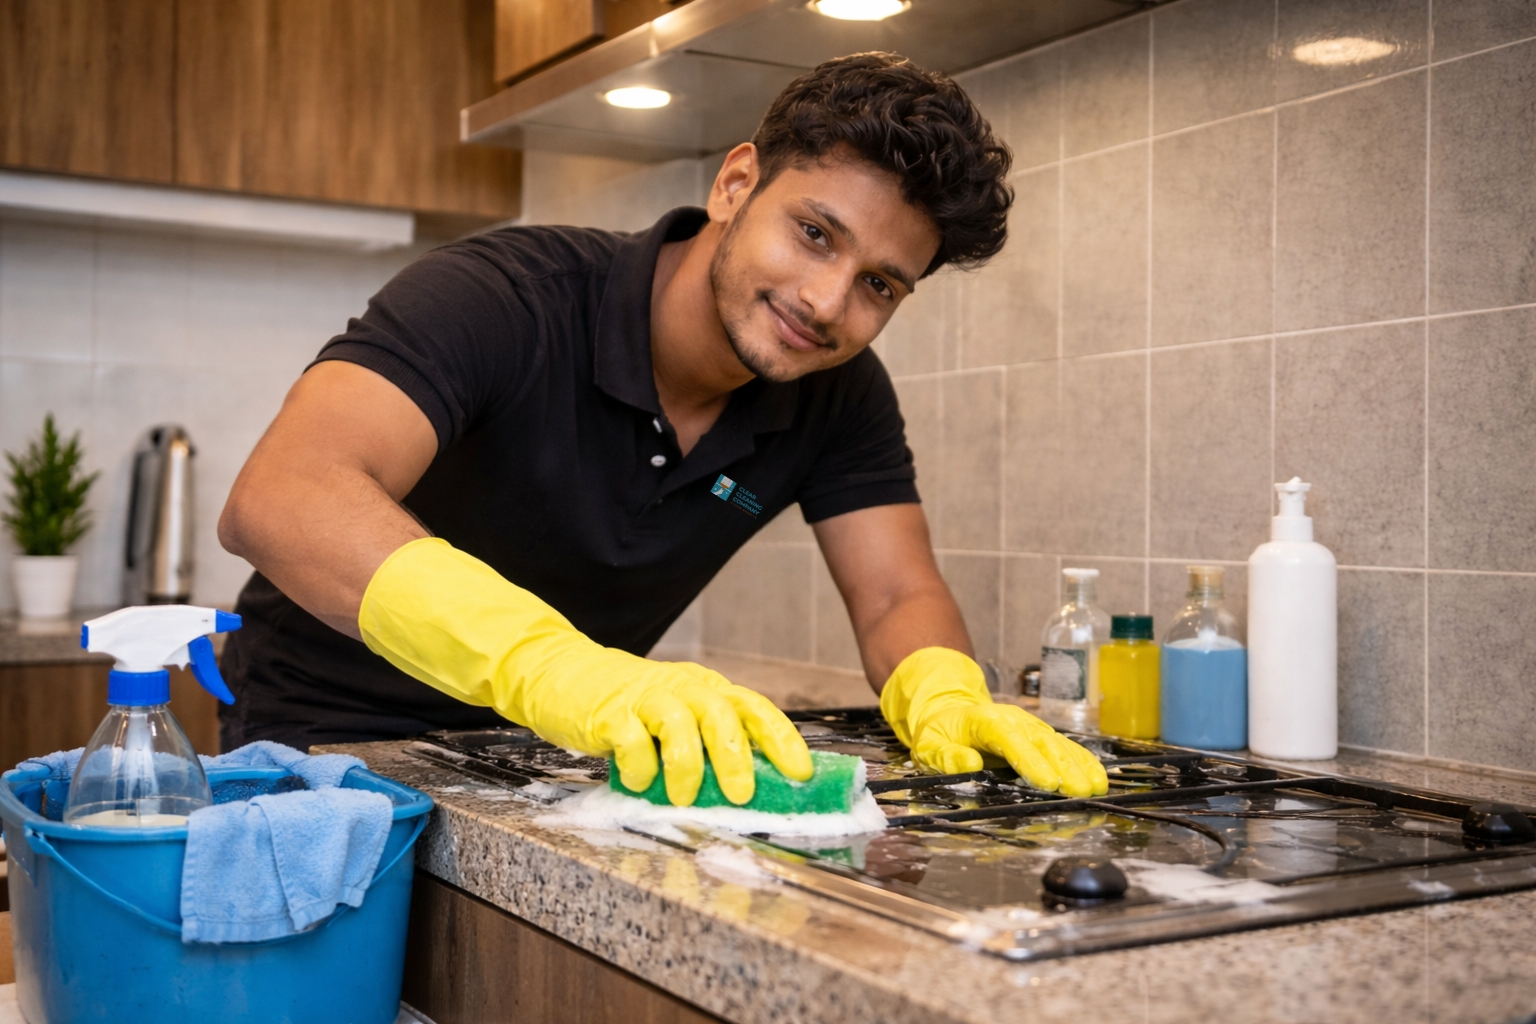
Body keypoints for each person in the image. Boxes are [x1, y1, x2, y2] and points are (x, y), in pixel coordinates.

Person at [217, 52, 1109, 805]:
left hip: (554, 765)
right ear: (735, 184)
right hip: (324, 749)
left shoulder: (841, 394)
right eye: (813, 233)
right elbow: (282, 497)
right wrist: (557, 670)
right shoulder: (504, 295)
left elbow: (894, 596)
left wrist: (943, 688)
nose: (826, 301)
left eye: (881, 284)